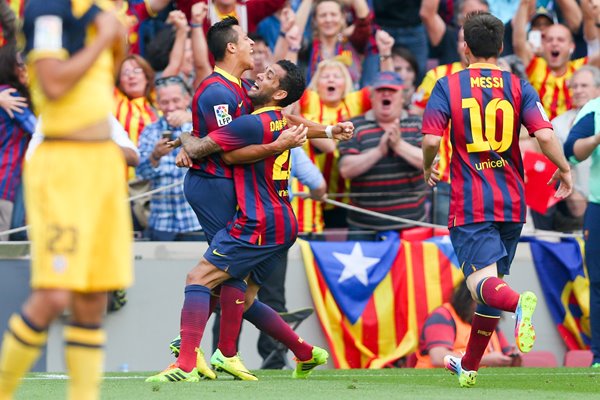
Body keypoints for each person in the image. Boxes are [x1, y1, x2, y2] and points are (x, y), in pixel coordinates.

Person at [160, 16, 352, 381]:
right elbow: (218, 144)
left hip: (252, 205)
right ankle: (216, 351)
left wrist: (188, 141)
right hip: (222, 189)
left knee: (223, 282)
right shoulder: (222, 91)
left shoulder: (244, 92)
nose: (254, 46)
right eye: (247, 39)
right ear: (231, 47)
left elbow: (222, 143)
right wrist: (190, 141)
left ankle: (197, 352)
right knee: (231, 282)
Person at [421, 11, 573, 388]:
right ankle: (470, 365)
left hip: (472, 202)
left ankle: (519, 303)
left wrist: (430, 164)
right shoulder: (520, 86)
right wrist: (564, 169)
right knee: (494, 283)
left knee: (478, 284)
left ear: (466, 49)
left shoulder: (448, 85)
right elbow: (545, 135)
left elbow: (427, 140)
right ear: (501, 47)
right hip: (512, 201)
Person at [0, 2, 131, 400]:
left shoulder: (100, 6)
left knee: (93, 297)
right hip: (63, 162)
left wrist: (114, 34)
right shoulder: (47, 7)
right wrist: (106, 35)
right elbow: (53, 84)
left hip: (103, 162)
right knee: (55, 295)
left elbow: (114, 59)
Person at [338, 71, 427, 236]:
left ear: (402, 97)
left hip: (411, 225)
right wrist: (379, 151)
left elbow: (431, 163)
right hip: (363, 227)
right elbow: (345, 170)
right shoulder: (352, 126)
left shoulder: (418, 124)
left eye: (392, 90)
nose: (386, 94)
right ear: (371, 96)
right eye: (380, 90)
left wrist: (399, 145)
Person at [136, 76, 202, 241]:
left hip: (196, 221)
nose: (171, 107)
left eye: (175, 100)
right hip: (161, 224)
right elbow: (141, 173)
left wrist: (192, 118)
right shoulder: (150, 132)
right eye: (165, 102)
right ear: (157, 103)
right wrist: (155, 156)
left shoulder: (201, 126)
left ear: (187, 99)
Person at [512, 0, 600, 120]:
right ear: (543, 45)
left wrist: (597, 17)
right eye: (549, 40)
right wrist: (524, 4)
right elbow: (519, 43)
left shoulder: (581, 69)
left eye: (560, 40)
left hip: (571, 130)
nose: (554, 44)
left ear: (571, 46)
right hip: (539, 134)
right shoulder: (535, 66)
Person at [564, 95, 600, 368]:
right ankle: (599, 356)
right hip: (599, 207)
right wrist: (597, 138)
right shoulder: (595, 108)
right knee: (598, 284)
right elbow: (571, 151)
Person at [415, 281, 520, 369]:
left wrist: (513, 358)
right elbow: (438, 358)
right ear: (467, 298)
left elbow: (507, 357)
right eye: (482, 303)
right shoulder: (443, 316)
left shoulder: (489, 319)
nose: (487, 308)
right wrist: (486, 360)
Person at [0, 43, 35, 241]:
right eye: (21, 64)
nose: (26, 69)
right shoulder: (10, 95)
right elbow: (37, 129)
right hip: (4, 180)